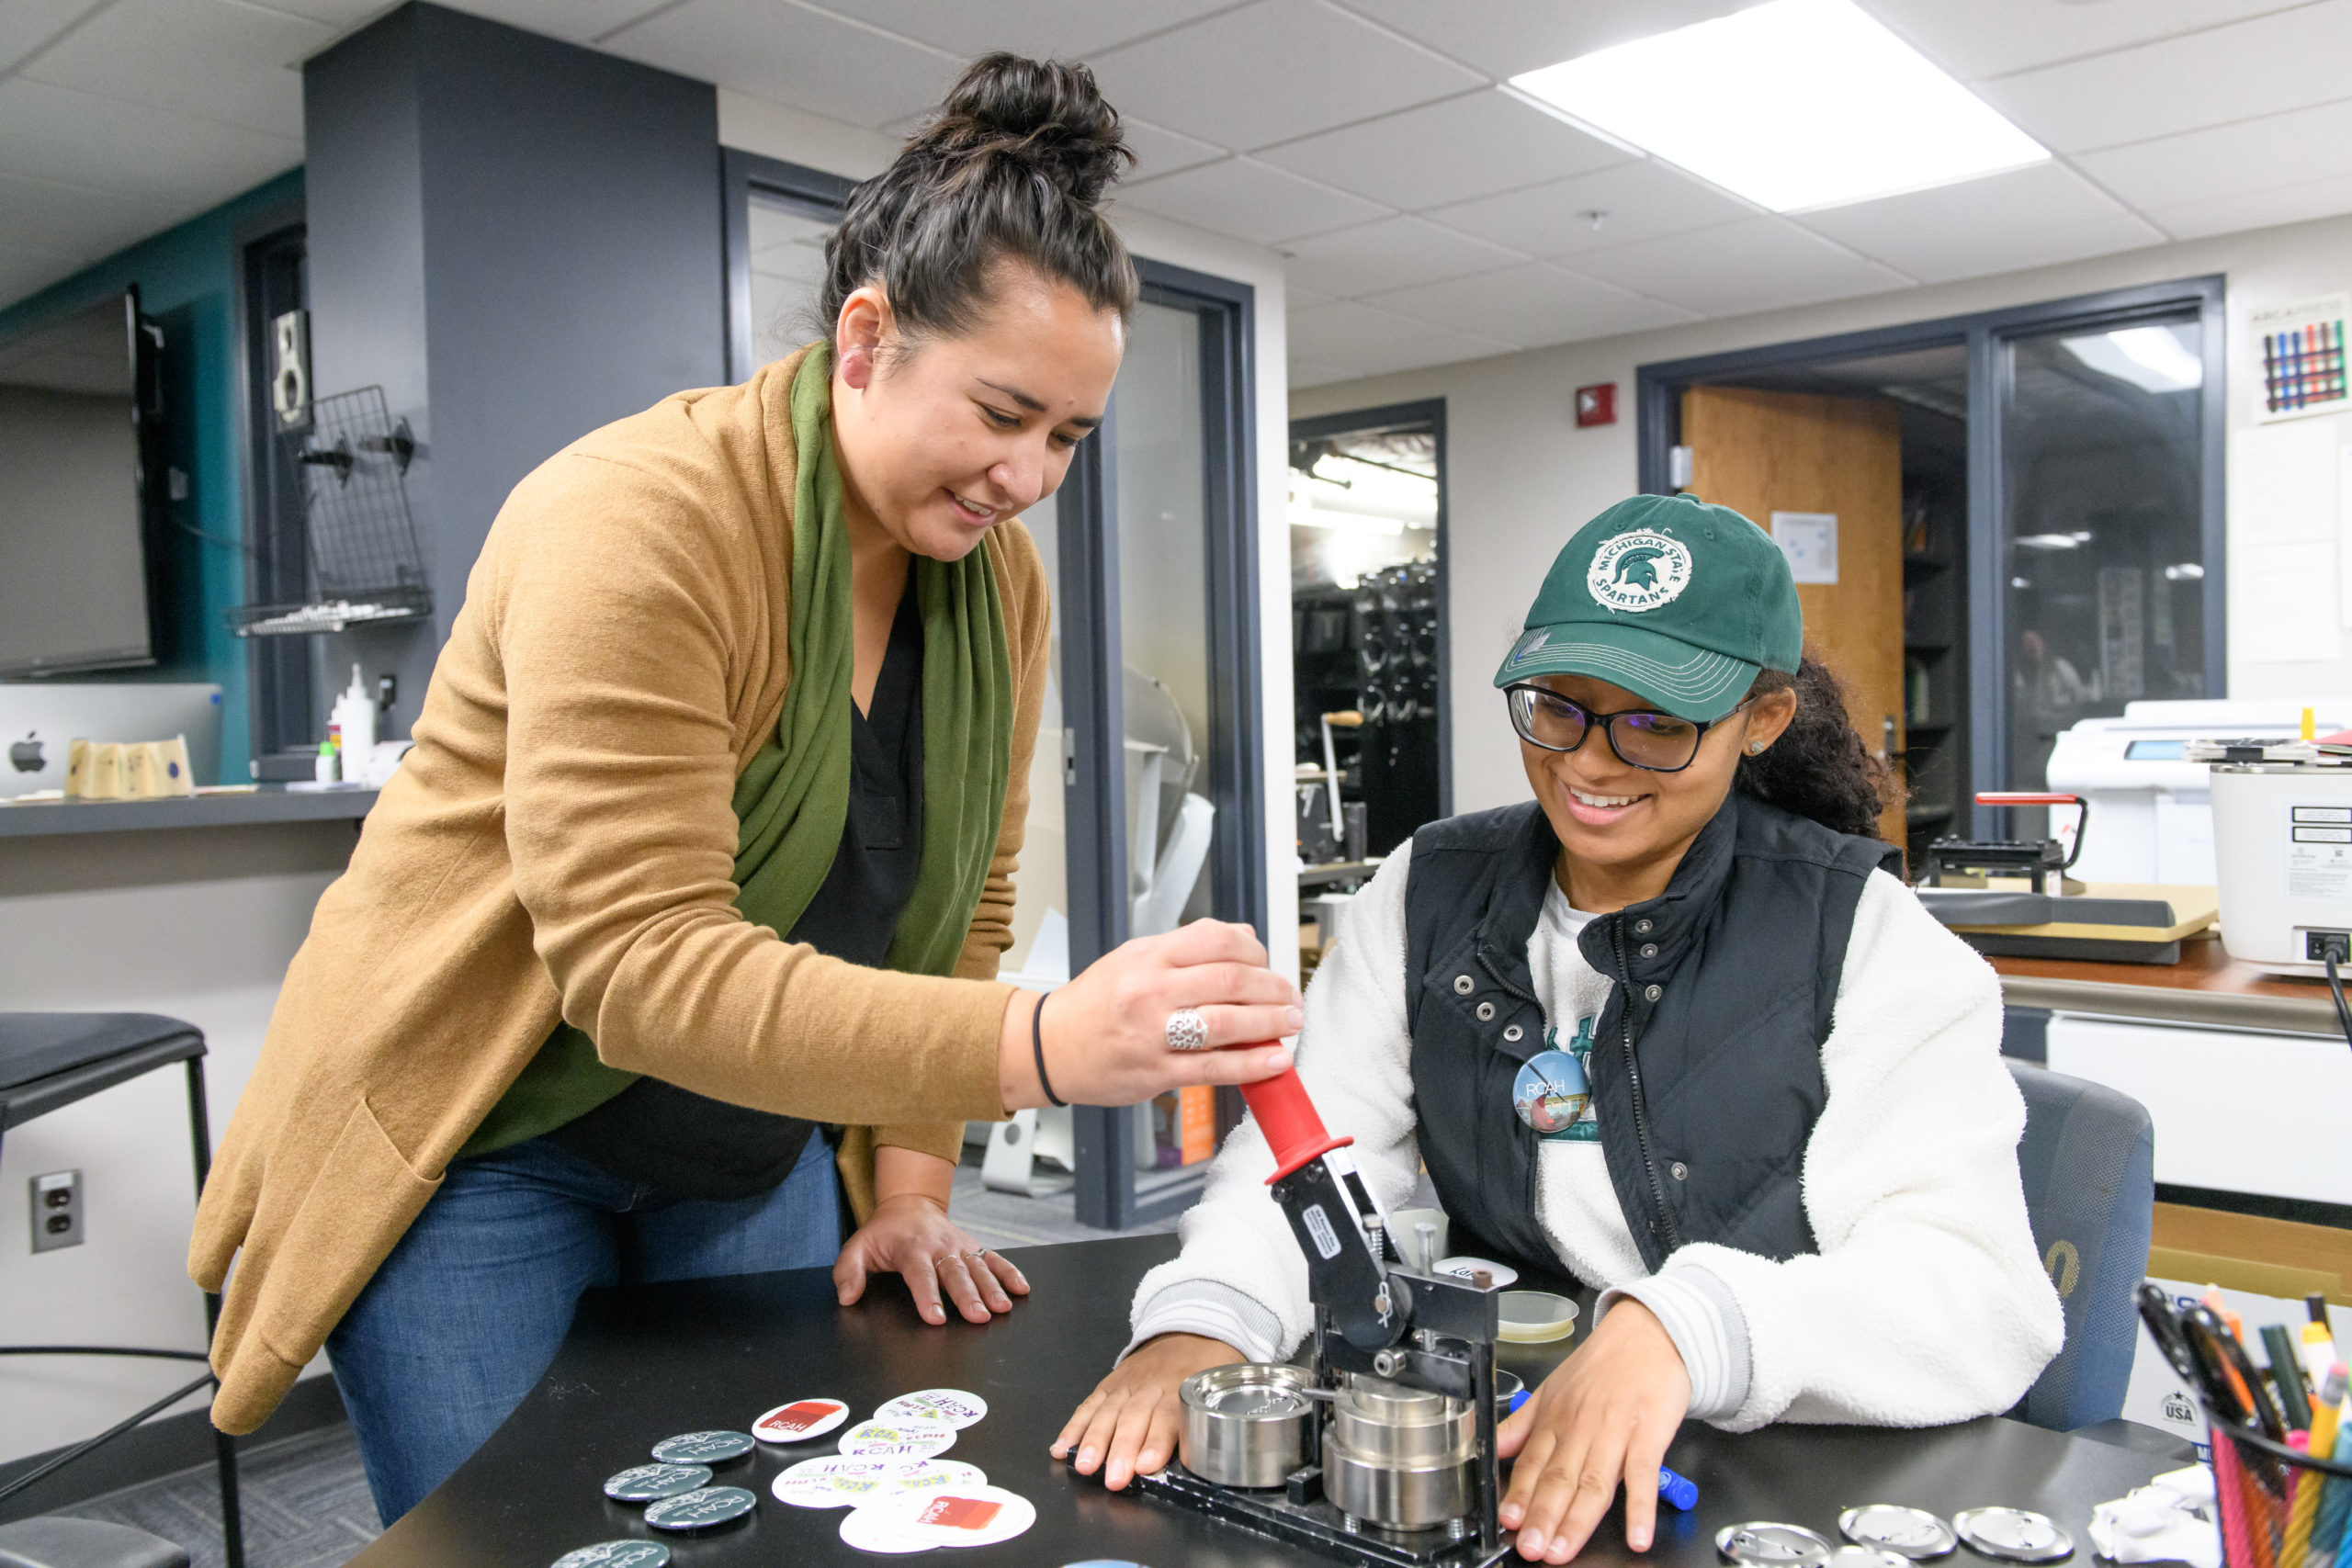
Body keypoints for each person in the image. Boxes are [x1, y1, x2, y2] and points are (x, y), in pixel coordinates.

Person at [189, 54, 1300, 1524]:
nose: (1029, 475)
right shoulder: (634, 519)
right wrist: (1042, 1040)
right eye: (1004, 412)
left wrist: (909, 1186)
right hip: (489, 1145)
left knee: (771, 1526)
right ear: (864, 338)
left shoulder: (997, 583)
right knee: (520, 1541)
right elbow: (640, 966)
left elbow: (961, 905)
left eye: (1068, 439)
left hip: (746, 1143)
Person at [1057, 493, 2064, 1563]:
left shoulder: (1861, 931)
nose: (1589, 764)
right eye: (1558, 708)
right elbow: (1314, 1160)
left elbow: (1978, 1297)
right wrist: (1206, 1318)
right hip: (1499, 1446)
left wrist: (1685, 1325)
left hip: (1763, 1471)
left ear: (1761, 719)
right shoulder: (1429, 890)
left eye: (1656, 723)